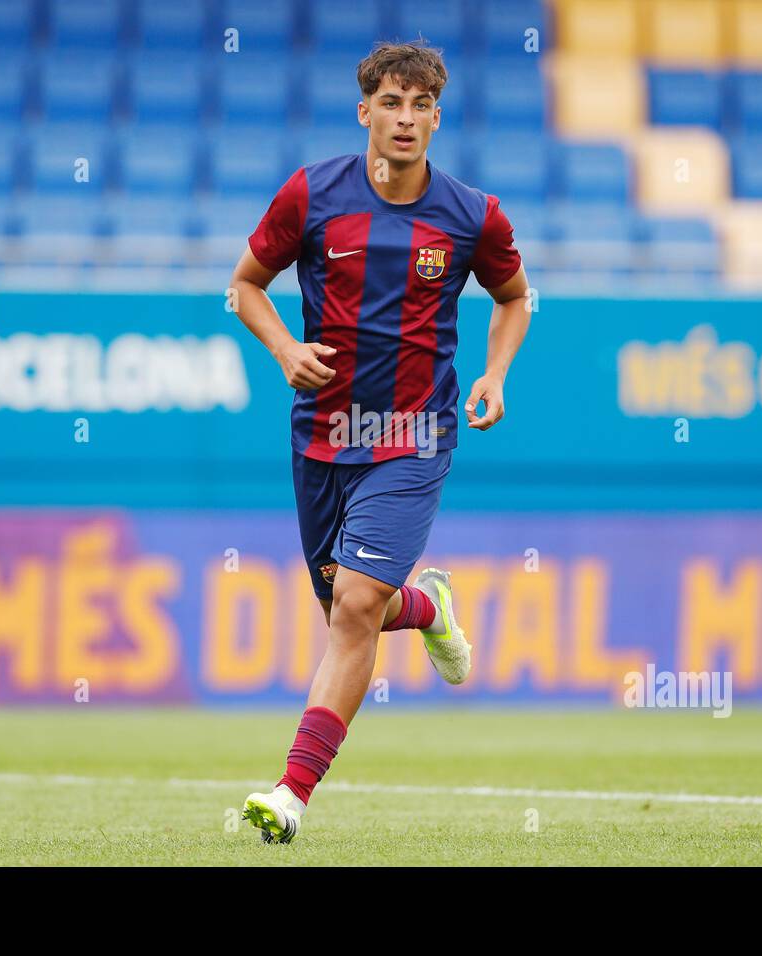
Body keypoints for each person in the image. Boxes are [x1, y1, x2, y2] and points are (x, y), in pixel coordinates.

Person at [228, 42, 531, 843]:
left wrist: (496, 376)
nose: (405, 119)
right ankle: (429, 606)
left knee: (354, 606)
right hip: (322, 432)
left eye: (419, 106)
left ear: (437, 116)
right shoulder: (312, 194)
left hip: (412, 433)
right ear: (365, 110)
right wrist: (285, 351)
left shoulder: (472, 215)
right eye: (390, 103)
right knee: (345, 608)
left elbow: (514, 299)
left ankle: (292, 793)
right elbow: (244, 286)